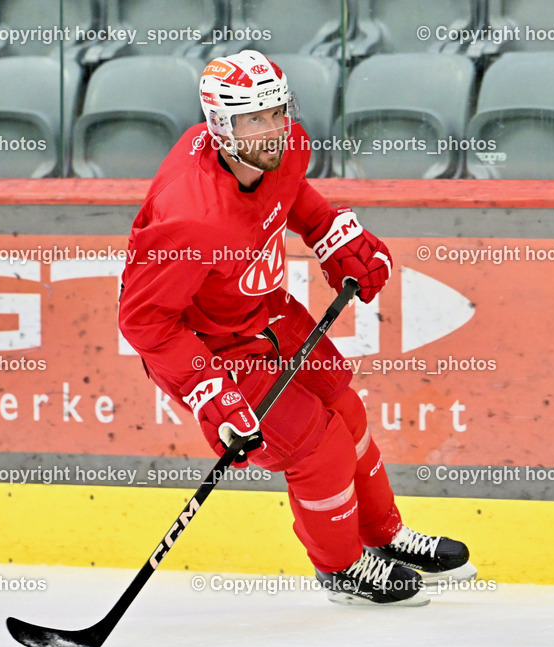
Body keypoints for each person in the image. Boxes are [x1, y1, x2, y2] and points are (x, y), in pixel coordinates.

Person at [118, 50, 476, 605]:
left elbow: (293, 197)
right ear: (221, 126)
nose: (273, 129)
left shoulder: (281, 150)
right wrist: (212, 395)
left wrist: (335, 236)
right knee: (318, 447)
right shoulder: (188, 216)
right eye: (254, 119)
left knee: (348, 411)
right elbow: (144, 320)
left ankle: (382, 536)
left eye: (277, 112)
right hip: (214, 348)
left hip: (269, 312)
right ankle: (341, 569)